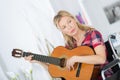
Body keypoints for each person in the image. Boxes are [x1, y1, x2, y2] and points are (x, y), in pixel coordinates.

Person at [24, 10, 110, 80]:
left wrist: (76, 58)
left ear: (74, 19)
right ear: (62, 31)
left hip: (104, 76)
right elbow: (57, 71)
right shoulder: (69, 46)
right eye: (64, 27)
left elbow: (101, 59)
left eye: (69, 22)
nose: (69, 27)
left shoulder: (93, 34)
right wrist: (38, 61)